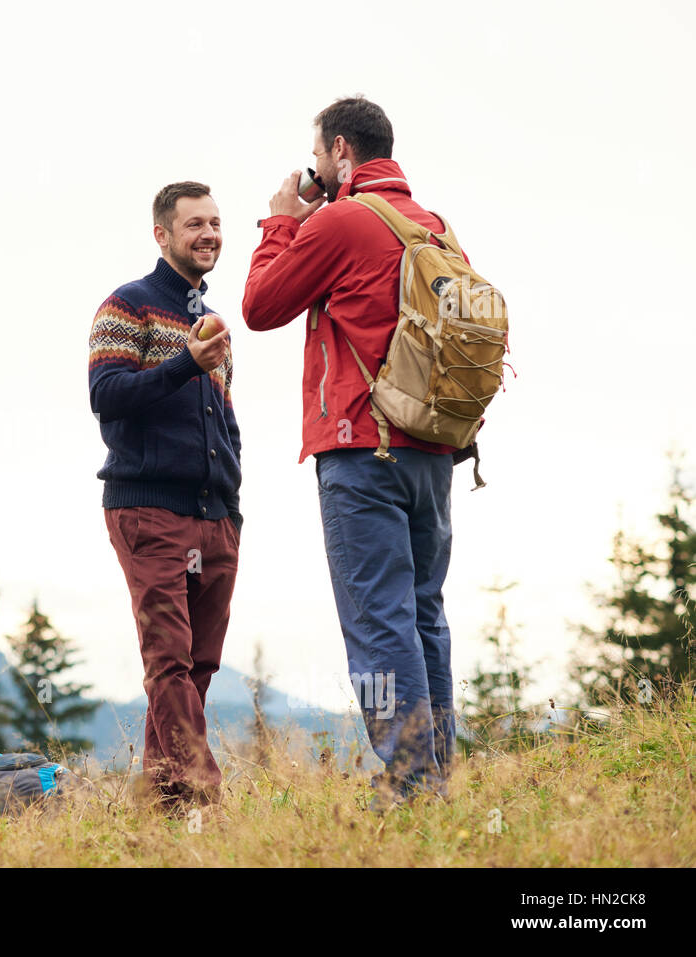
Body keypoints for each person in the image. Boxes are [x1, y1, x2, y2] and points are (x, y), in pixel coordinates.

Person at [241, 97, 465, 807]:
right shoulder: (435, 227)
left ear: (340, 150)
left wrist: (283, 220)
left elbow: (260, 305)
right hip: (433, 448)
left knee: (376, 618)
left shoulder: (341, 220)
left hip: (361, 447)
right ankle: (437, 773)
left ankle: (407, 781)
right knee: (424, 611)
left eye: (318, 158)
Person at [88, 181, 243, 808]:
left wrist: (233, 507)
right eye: (194, 225)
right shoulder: (126, 307)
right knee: (169, 660)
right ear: (163, 235)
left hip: (216, 519)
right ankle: (203, 797)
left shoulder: (212, 320)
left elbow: (224, 422)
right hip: (149, 511)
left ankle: (162, 805)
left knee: (199, 663)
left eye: (215, 222)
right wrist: (185, 361)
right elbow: (107, 398)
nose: (208, 234)